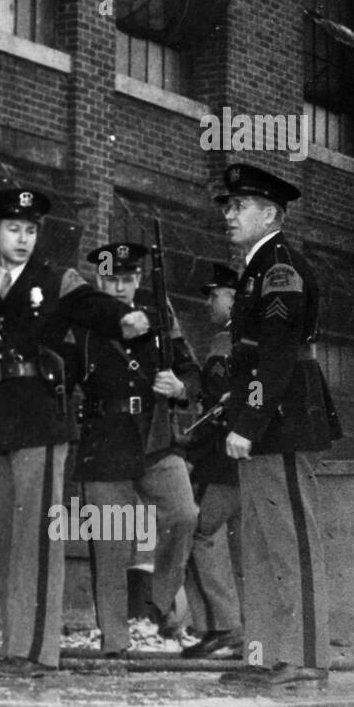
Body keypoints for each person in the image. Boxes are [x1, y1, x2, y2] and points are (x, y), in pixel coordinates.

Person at [0, 190, 150, 677]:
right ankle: (13, 645)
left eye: (31, 229)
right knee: (6, 541)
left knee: (36, 537)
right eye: (13, 229)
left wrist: (124, 320)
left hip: (41, 416)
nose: (23, 239)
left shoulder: (56, 280)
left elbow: (92, 304)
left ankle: (35, 653)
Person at [214, 164, 340, 688]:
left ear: (270, 214)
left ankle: (307, 659)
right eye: (227, 206)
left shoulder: (280, 268)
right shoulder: (256, 266)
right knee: (263, 544)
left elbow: (278, 356)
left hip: (281, 418)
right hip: (263, 416)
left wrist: (248, 421)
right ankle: (264, 656)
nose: (229, 214)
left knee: (292, 542)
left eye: (239, 206)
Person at [71, 242, 200, 656]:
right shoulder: (85, 319)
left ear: (139, 280)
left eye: (128, 279)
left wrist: (180, 389)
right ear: (98, 279)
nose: (120, 287)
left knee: (184, 515)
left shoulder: (160, 317)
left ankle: (160, 602)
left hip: (154, 438)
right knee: (111, 545)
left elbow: (191, 371)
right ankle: (114, 643)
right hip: (103, 442)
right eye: (111, 279)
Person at [182, 262, 244, 659]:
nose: (209, 303)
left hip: (219, 461)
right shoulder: (252, 338)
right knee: (233, 543)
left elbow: (217, 407)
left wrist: (188, 448)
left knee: (195, 529)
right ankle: (236, 628)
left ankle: (221, 627)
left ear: (234, 298)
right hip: (243, 461)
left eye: (215, 295)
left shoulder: (225, 342)